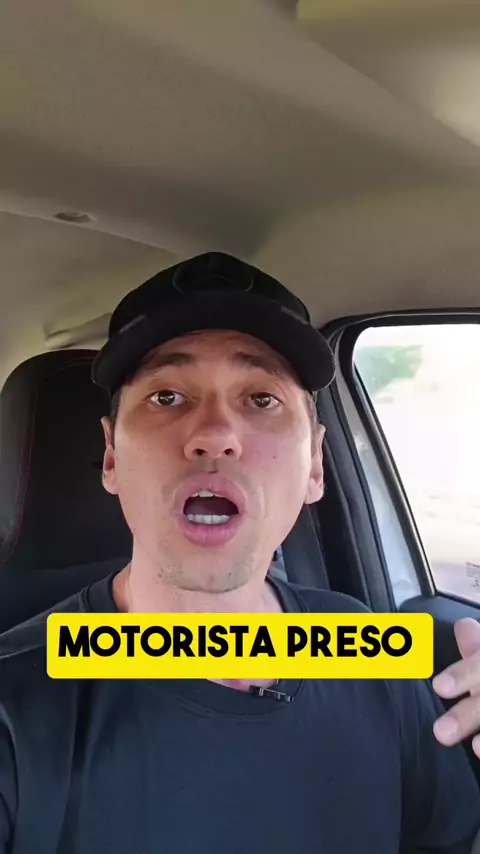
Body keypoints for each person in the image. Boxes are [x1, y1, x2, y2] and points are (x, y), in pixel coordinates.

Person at [0, 251, 479, 854]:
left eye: (261, 399)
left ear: (315, 465)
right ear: (112, 457)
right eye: (167, 397)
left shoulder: (368, 650)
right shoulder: (17, 705)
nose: (215, 436)